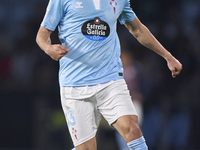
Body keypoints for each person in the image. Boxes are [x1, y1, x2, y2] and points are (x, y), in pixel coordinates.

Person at [36, 0, 182, 149]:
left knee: (133, 130)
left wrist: (168, 56)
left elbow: (137, 29)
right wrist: (48, 48)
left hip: (110, 79)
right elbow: (42, 34)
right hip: (75, 83)